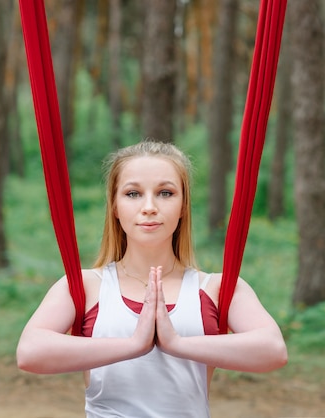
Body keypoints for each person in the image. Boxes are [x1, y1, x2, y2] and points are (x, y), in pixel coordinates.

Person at [16, 140, 288, 417]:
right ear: (115, 207)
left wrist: (176, 343)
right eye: (133, 193)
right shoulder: (85, 286)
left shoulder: (217, 289)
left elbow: (273, 350)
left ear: (183, 206)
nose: (149, 207)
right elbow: (30, 352)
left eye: (165, 193)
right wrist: (133, 345)